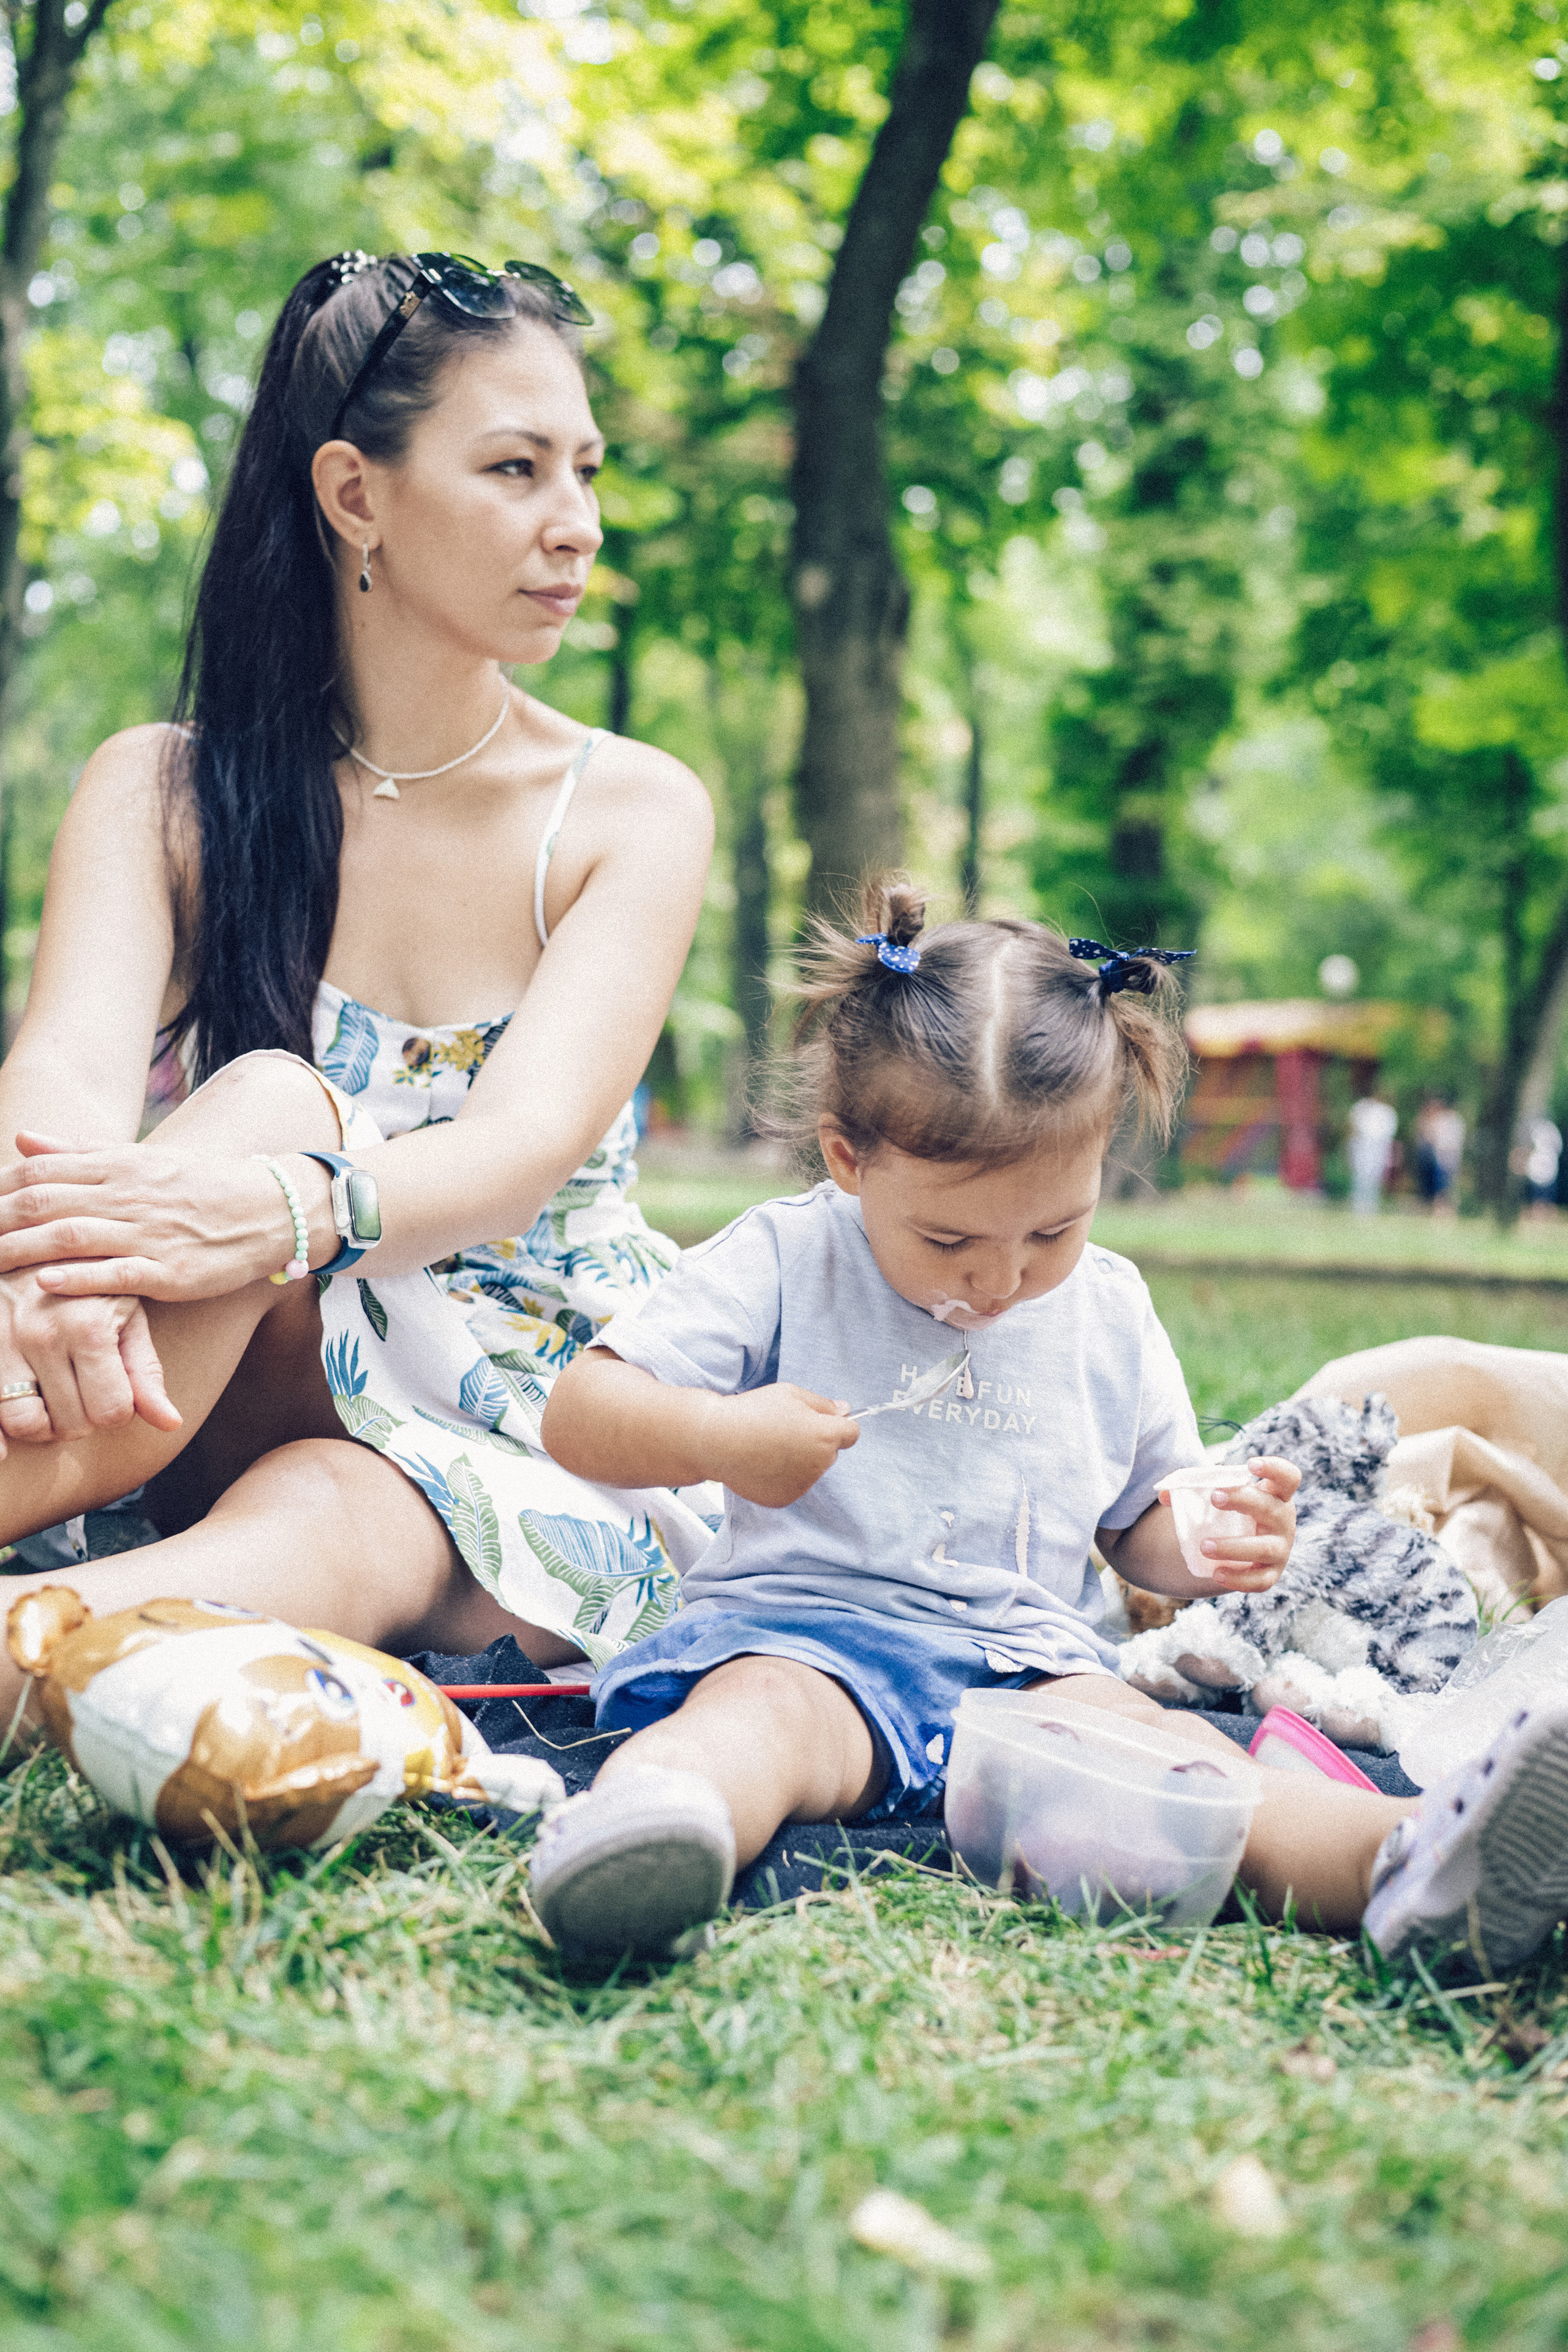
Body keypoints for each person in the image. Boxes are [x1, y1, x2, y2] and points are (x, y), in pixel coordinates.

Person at [533, 884, 1568, 1961]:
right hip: (810, 1641)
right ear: (849, 1159)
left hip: (1029, 1675)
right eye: (947, 1242)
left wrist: (1206, 1545)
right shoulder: (790, 1257)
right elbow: (582, 1414)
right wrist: (719, 1437)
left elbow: (1137, 1531)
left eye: (1052, 1233)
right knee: (758, 1721)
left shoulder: (1108, 1311)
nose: (1000, 1280)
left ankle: (1415, 1862)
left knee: (1190, 1769)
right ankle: (650, 1831)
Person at [0, 249, 717, 1734]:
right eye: (515, 468)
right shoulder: (167, 789)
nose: (575, 523)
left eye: (584, 470)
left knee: (327, 1499)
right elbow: (58, 1088)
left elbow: (521, 1148)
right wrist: (41, 1257)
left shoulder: (627, 812)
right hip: (214, 1360)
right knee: (261, 1100)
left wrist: (286, 1208)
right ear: (354, 494)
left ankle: (34, 1646)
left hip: (511, 1399)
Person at [1347, 1088, 1398, 1216]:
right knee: (1361, 1175)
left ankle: (1371, 1206)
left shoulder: (1387, 1111)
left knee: (1375, 1175)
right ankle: (1358, 1205)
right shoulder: (1362, 1107)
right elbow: (1353, 1126)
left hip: (1379, 1147)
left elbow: (1388, 1133)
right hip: (1362, 1145)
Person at [1414, 1093, 1464, 1218]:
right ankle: (1438, 1208)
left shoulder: (1450, 1121)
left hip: (1448, 1155)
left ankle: (1445, 1209)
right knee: (1441, 1182)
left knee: (1445, 1183)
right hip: (1443, 1155)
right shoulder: (1448, 1120)